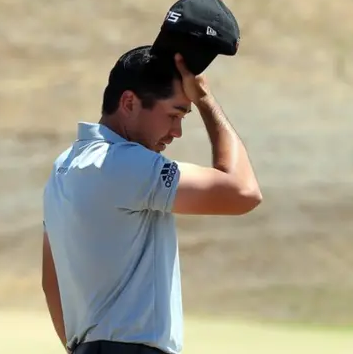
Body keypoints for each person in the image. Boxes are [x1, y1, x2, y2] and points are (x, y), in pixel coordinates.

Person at [41, 45, 262, 354]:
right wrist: (204, 99)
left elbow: (51, 282)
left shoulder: (63, 167)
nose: (177, 132)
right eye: (174, 114)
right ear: (129, 102)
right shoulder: (122, 163)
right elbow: (243, 192)